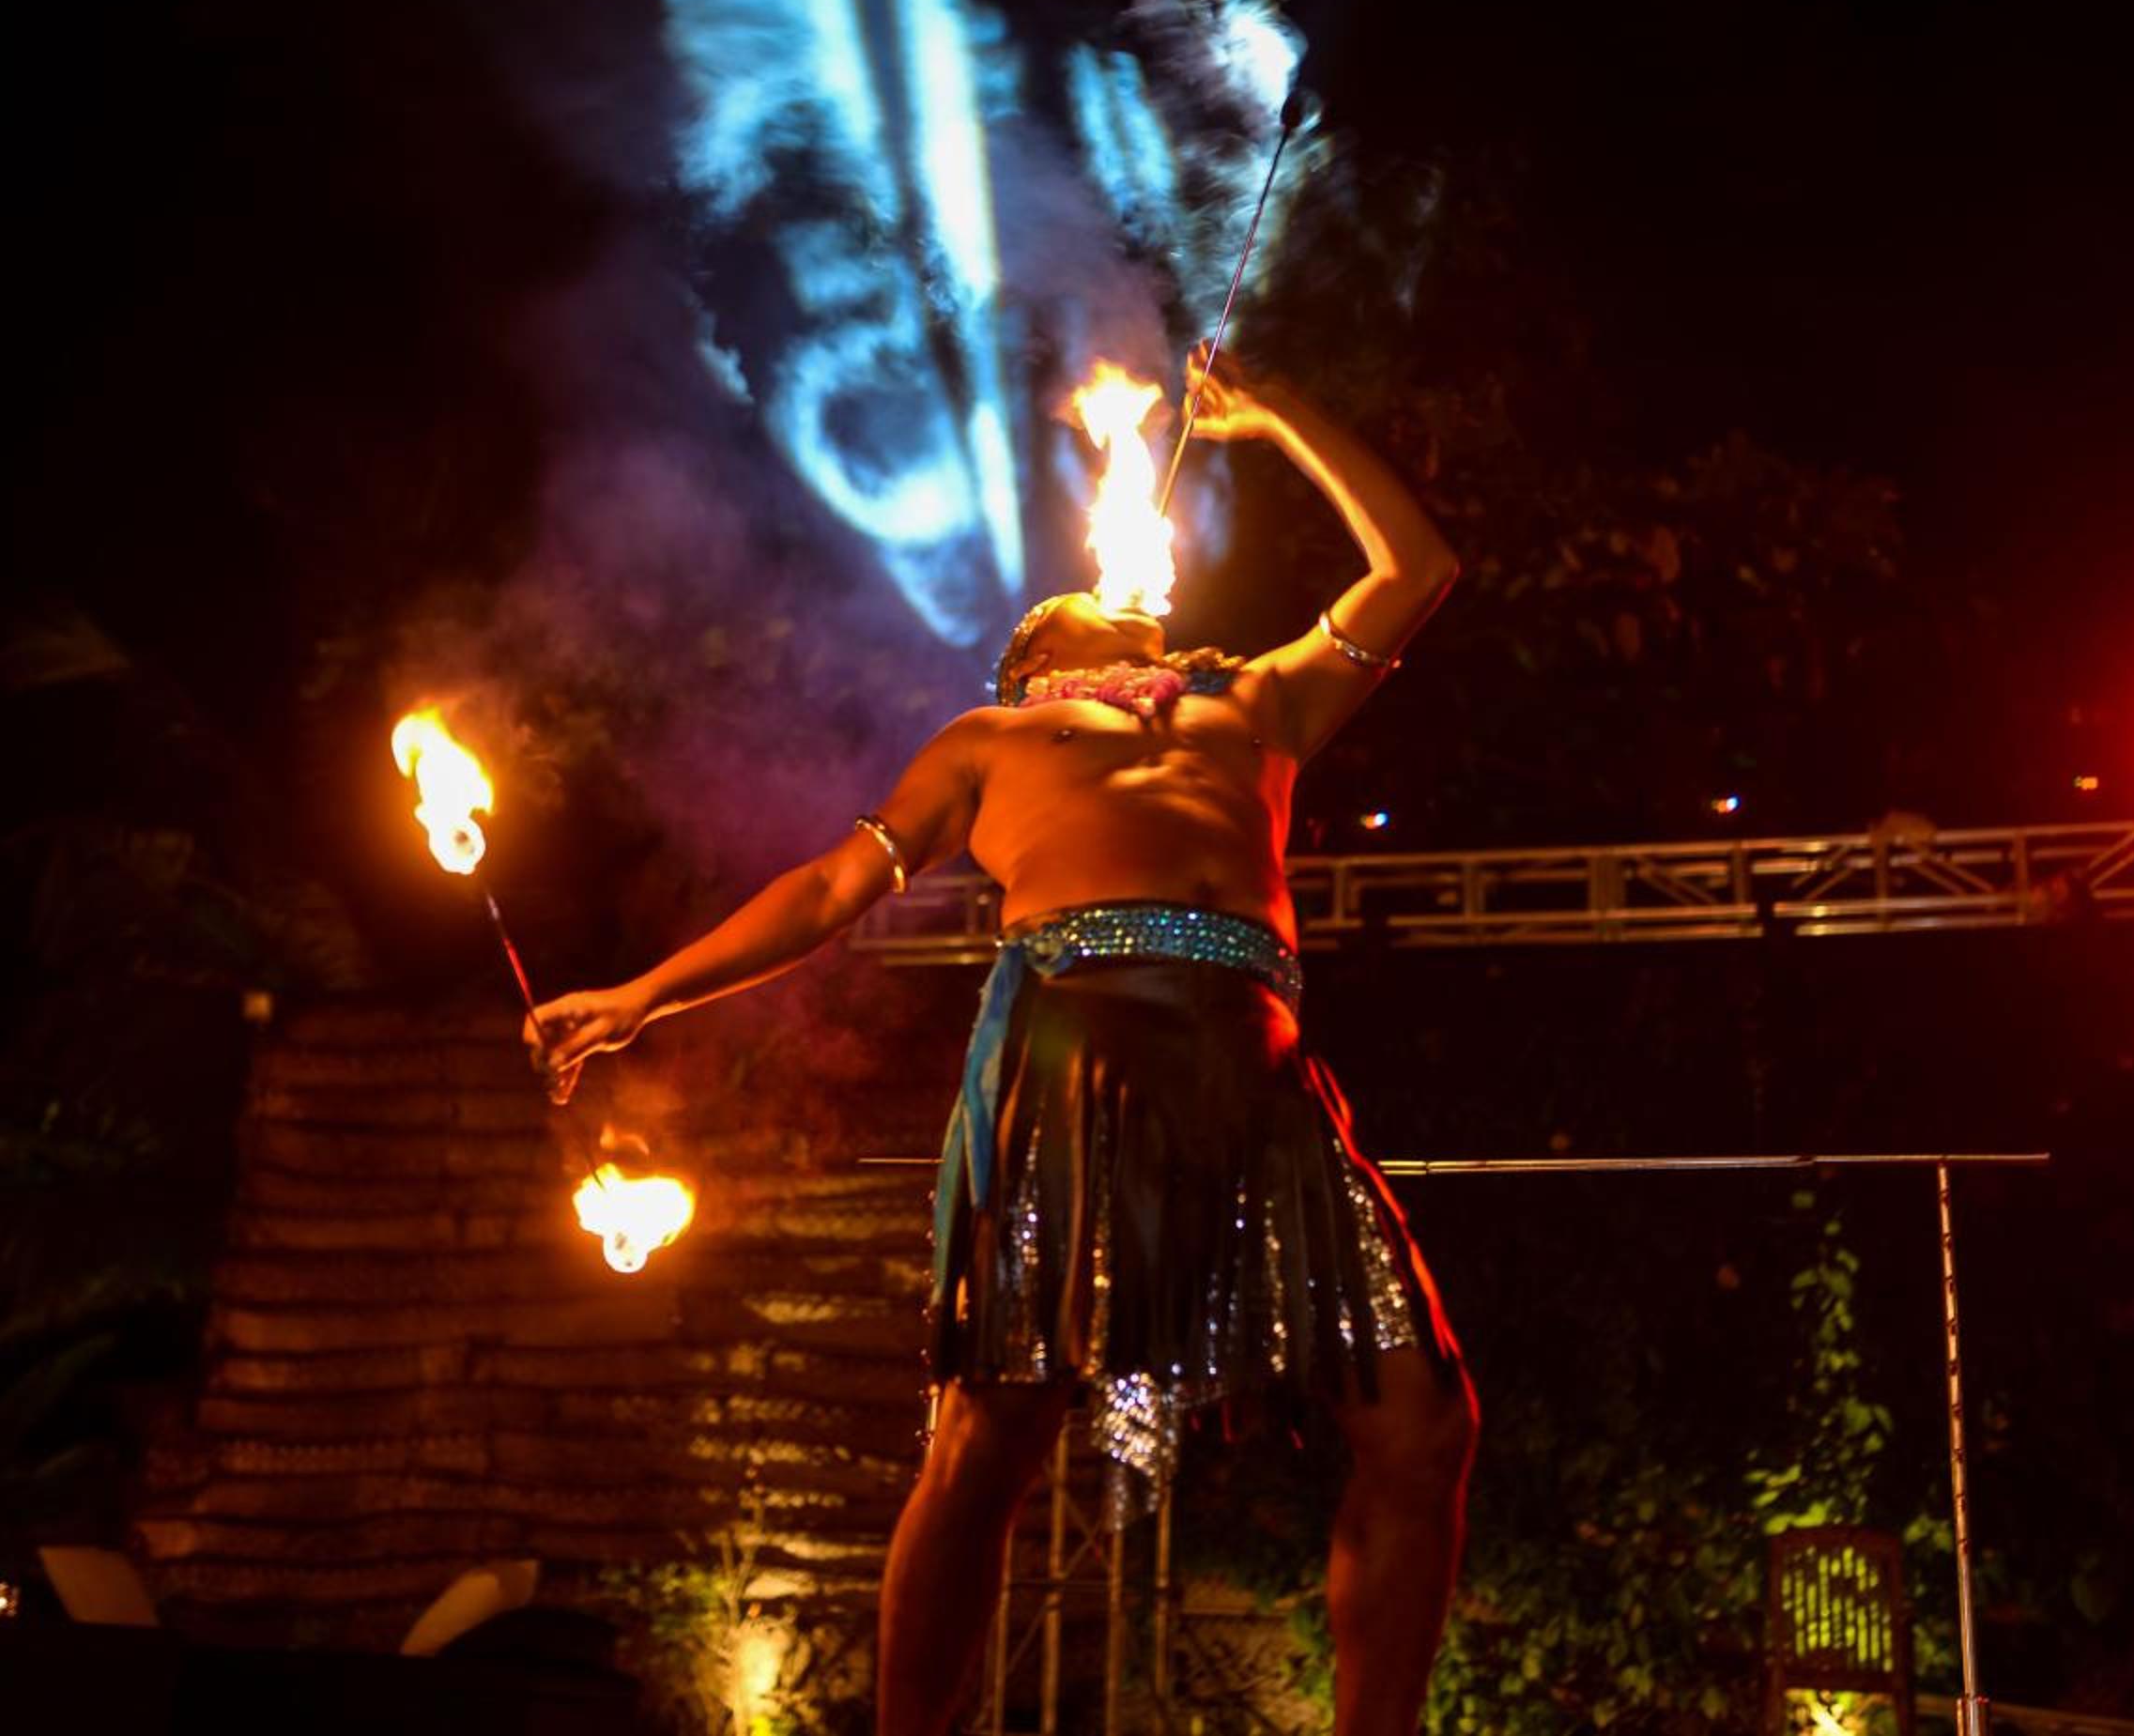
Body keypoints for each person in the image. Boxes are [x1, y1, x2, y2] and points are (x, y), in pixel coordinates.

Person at [529, 347, 1474, 1735]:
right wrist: (642, 996)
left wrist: (1281, 413)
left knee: (1422, 1418)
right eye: (1081, 601)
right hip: (1074, 1042)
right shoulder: (987, 737)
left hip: (1259, 1067)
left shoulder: (1258, 704)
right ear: (1037, 659)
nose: (1131, 585)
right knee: (992, 1432)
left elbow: (1417, 567)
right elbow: (830, 889)